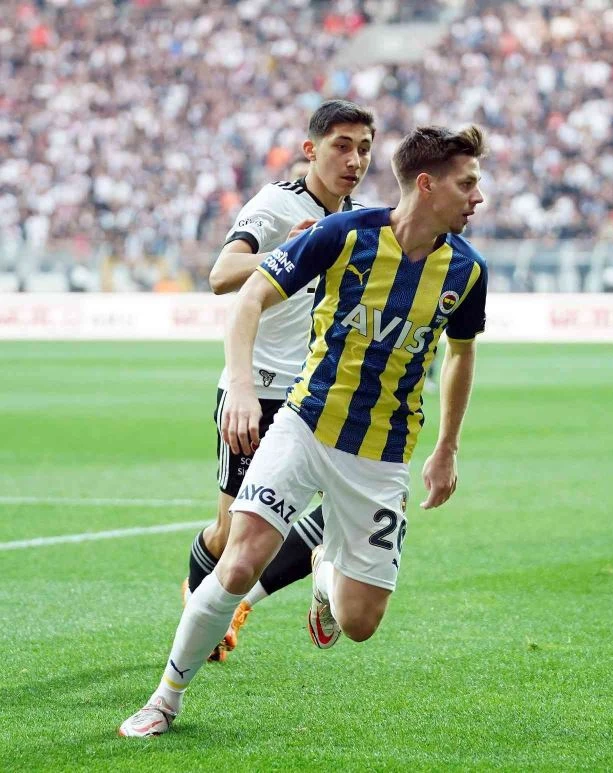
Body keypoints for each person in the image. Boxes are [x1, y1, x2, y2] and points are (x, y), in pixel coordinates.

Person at [119, 124, 489, 737]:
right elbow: (248, 297)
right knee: (240, 562)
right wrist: (241, 387)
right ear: (427, 185)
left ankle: (326, 569)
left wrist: (447, 448)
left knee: (360, 622)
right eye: (467, 184)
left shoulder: (468, 271)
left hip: (381, 456)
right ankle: (164, 699)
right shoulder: (345, 234)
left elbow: (461, 354)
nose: (478, 197)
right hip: (304, 425)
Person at [185, 99, 375, 662]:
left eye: (364, 149)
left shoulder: (357, 218)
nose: (355, 160)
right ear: (311, 150)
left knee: (348, 505)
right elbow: (222, 274)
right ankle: (199, 603)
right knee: (229, 535)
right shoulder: (277, 202)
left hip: (318, 393)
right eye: (342, 146)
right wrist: (291, 251)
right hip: (259, 391)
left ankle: (282, 583)